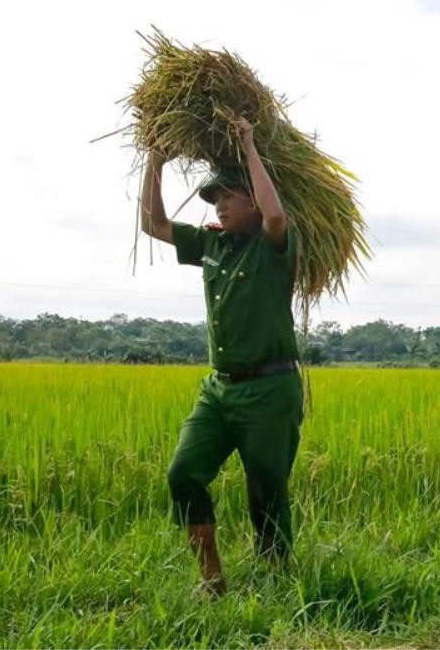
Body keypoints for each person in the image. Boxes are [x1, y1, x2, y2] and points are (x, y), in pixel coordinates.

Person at [139, 114, 303, 596]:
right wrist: (156, 158)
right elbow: (154, 223)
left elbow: (276, 217)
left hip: (271, 389)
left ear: (252, 201)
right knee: (183, 473)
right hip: (219, 389)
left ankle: (277, 578)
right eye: (215, 199)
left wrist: (250, 145)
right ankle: (211, 578)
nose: (219, 204)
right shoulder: (212, 243)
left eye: (228, 196)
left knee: (266, 490)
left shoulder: (274, 248)